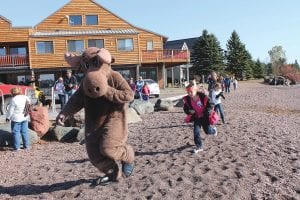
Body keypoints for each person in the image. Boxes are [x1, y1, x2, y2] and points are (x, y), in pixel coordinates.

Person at [183, 83, 217, 153]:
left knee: (207, 131)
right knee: (196, 132)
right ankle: (199, 146)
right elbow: (185, 108)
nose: (190, 94)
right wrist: (189, 111)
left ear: (195, 90)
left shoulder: (203, 97)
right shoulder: (188, 99)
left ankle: (214, 130)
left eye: (191, 92)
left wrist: (206, 113)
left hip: (205, 117)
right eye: (188, 92)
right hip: (196, 117)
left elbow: (211, 105)